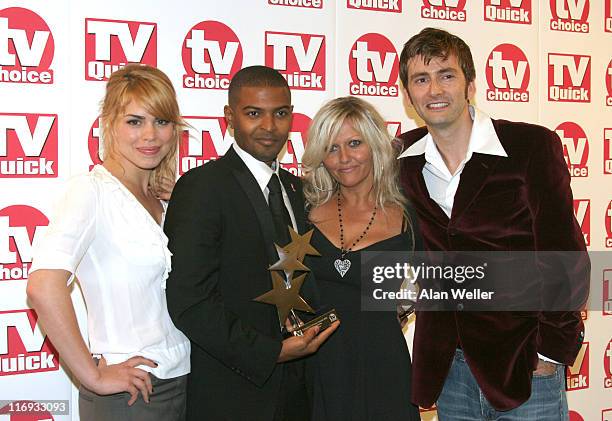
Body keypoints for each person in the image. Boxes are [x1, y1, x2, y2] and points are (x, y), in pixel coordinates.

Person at [396, 28, 589, 420]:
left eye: (446, 75)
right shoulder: (402, 160)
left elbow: (565, 255)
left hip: (526, 366)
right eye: (421, 79)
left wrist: (549, 351)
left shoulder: (530, 147)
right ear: (407, 92)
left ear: (470, 82)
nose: (434, 89)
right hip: (449, 370)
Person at [164, 65, 338, 421]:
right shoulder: (202, 187)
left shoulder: (296, 189)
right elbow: (189, 301)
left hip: (300, 389)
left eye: (281, 113)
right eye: (254, 113)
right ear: (229, 117)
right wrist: (271, 352)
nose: (269, 127)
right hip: (234, 392)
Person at [27, 64, 190, 421]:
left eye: (161, 122)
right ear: (109, 123)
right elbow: (43, 286)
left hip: (186, 380)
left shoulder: (165, 199)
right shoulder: (91, 192)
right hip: (133, 393)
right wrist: (93, 374)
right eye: (135, 121)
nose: (150, 135)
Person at [302, 96, 421, 420]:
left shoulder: (409, 219)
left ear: (374, 145)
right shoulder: (302, 212)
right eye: (331, 147)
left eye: (354, 143)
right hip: (314, 372)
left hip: (384, 373)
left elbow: (435, 286)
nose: (343, 158)